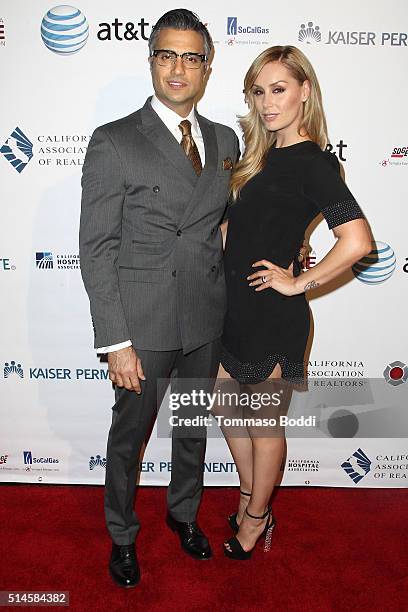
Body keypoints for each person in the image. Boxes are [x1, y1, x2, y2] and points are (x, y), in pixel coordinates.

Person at [79, 9, 239, 587]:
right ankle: (122, 535)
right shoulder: (114, 140)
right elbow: (96, 248)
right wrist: (115, 340)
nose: (178, 68)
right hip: (141, 326)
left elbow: (221, 229)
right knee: (130, 438)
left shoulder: (226, 140)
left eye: (190, 57)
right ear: (151, 61)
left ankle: (183, 514)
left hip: (204, 318)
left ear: (206, 67)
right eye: (166, 55)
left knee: (192, 428)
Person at [218, 45, 372, 560]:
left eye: (278, 89)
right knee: (225, 408)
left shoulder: (315, 163)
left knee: (264, 425)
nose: (266, 103)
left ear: (305, 90)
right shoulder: (257, 155)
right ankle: (248, 494)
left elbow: (357, 241)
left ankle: (257, 518)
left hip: (272, 314)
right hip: (231, 307)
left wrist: (297, 283)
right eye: (258, 92)